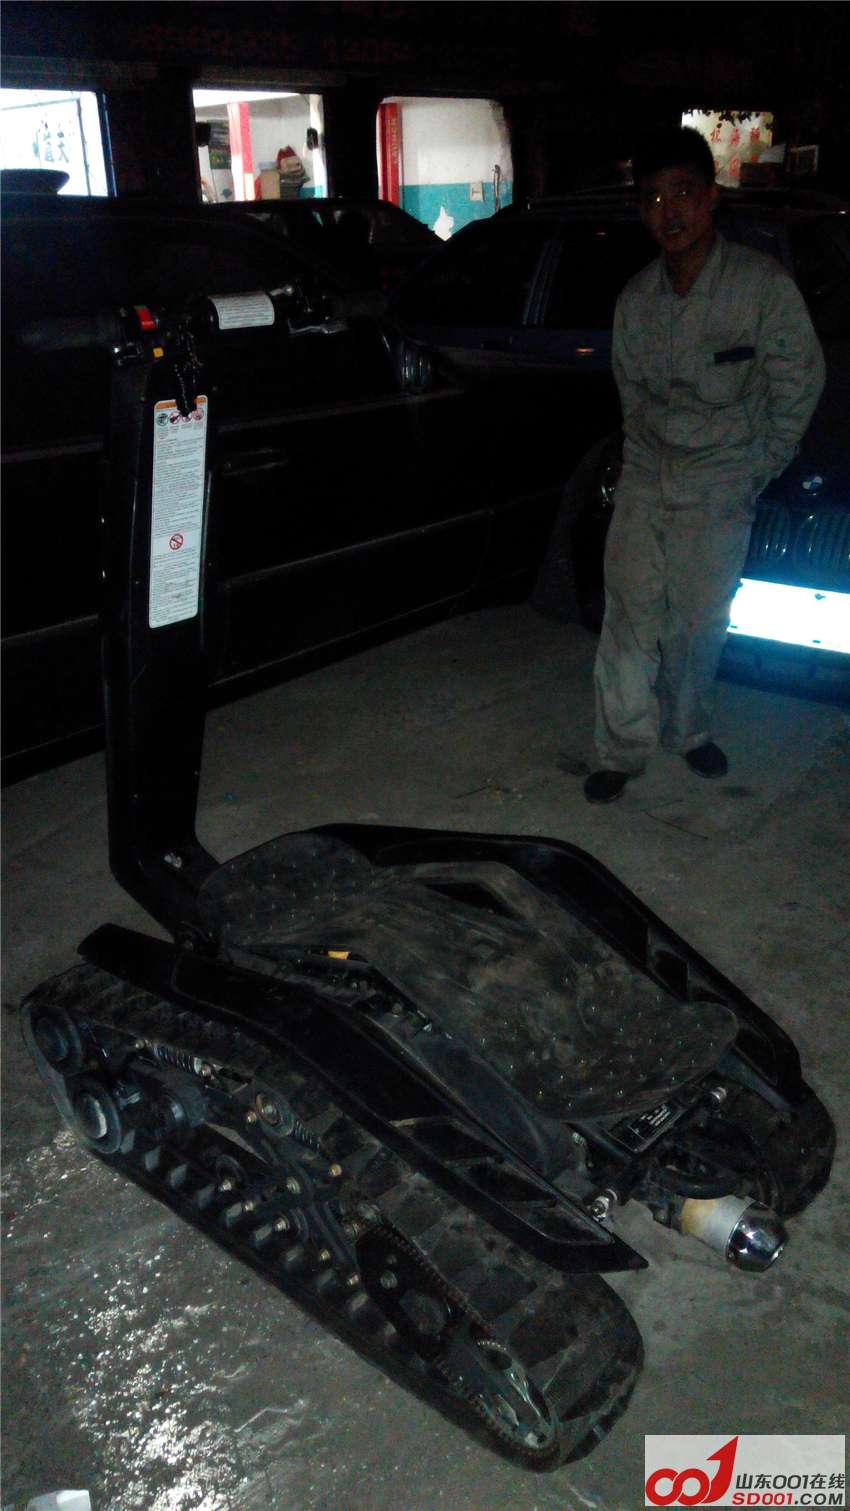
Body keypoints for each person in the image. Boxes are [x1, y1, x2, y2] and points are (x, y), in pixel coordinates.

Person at [584, 127, 826, 803]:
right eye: (653, 199)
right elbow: (631, 397)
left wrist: (757, 467)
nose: (669, 212)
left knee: (697, 623)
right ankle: (620, 747)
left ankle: (688, 731)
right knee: (628, 617)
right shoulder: (637, 300)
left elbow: (800, 381)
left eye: (683, 192)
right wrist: (637, 471)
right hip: (647, 475)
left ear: (712, 196)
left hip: (721, 478)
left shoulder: (760, 288)